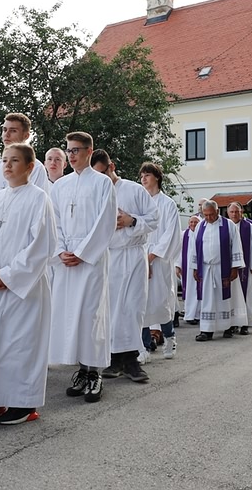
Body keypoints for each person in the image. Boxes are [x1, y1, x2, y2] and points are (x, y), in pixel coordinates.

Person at [0, 143, 56, 425]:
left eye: (15, 160)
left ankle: (23, 403)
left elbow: (41, 244)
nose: (7, 165)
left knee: (20, 345)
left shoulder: (38, 198)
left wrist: (9, 275)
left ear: (30, 167)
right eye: (4, 160)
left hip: (24, 289)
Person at [49, 132, 116, 403]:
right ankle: (81, 370)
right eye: (69, 150)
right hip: (66, 260)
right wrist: (61, 250)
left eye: (76, 150)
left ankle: (95, 371)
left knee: (91, 315)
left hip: (90, 259)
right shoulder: (60, 186)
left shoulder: (102, 183)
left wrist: (82, 252)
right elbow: (54, 220)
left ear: (89, 152)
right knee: (70, 316)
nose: (72, 154)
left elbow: (106, 220)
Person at [91, 151, 158, 383]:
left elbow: (154, 218)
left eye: (103, 173)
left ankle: (131, 360)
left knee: (132, 308)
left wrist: (131, 221)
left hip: (132, 256)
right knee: (109, 310)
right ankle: (113, 359)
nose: (100, 178)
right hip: (107, 257)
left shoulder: (134, 190)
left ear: (112, 166)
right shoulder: (95, 192)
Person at [0, 112, 49, 228]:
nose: (7, 135)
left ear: (26, 135)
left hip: (20, 233)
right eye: (5, 130)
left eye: (13, 130)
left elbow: (36, 207)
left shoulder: (36, 168)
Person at [140, 162, 182, 359]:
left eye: (147, 175)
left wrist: (152, 256)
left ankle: (169, 338)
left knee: (160, 302)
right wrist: (142, 256)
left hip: (159, 260)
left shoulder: (168, 204)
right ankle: (144, 346)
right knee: (140, 302)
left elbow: (170, 234)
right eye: (141, 176)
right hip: (140, 257)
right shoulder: (140, 202)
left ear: (156, 177)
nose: (143, 179)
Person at [190, 200, 244, 341]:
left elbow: (236, 246)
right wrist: (195, 268)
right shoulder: (201, 226)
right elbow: (195, 248)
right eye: (205, 215)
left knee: (225, 299)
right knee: (207, 300)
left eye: (211, 215)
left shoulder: (229, 225)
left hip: (223, 269)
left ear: (217, 212)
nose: (208, 218)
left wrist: (234, 267)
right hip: (206, 268)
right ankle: (206, 330)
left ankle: (228, 327)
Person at [228, 202, 252, 334]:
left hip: (248, 269)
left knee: (248, 296)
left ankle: (246, 324)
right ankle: (233, 323)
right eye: (232, 212)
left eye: (237, 212)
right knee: (233, 297)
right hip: (231, 268)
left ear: (241, 212)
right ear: (228, 213)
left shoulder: (249, 226)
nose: (234, 214)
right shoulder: (226, 226)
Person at [179, 215, 202, 326]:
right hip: (187, 268)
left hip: (200, 267)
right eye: (191, 222)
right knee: (190, 291)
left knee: (200, 291)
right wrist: (178, 265)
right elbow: (178, 250)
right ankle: (189, 315)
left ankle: (198, 314)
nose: (193, 224)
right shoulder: (184, 235)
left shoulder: (202, 233)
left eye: (196, 222)